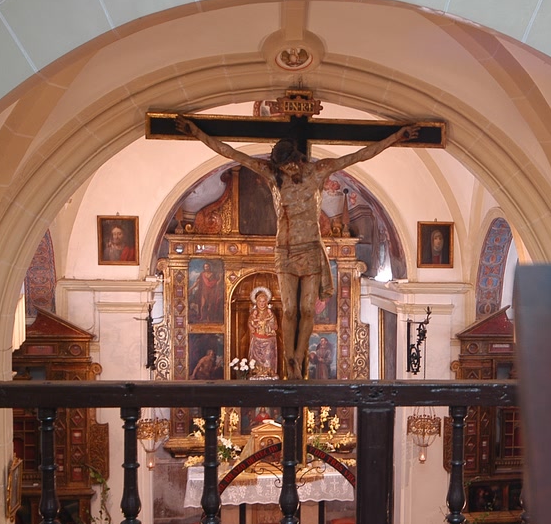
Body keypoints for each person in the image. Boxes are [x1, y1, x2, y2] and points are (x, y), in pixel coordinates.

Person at [176, 117, 419, 379]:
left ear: (298, 159)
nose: (288, 170)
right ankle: (289, 358)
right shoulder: (273, 175)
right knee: (289, 310)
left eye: (290, 165)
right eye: (283, 166)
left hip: (311, 248)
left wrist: (395, 138)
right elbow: (231, 152)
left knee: (305, 310)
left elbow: (359, 155)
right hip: (285, 250)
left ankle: (299, 358)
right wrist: (198, 133)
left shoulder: (318, 172)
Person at [246, 286, 278, 377]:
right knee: (255, 359)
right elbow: (250, 323)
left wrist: (269, 323)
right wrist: (253, 325)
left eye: (264, 301)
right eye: (260, 301)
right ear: (256, 301)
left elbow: (275, 326)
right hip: (257, 339)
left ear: (267, 302)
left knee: (268, 357)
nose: (262, 303)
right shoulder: (254, 313)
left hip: (268, 340)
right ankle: (256, 372)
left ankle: (268, 372)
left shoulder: (270, 313)